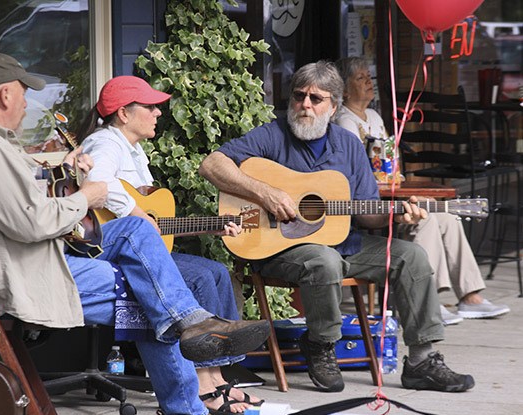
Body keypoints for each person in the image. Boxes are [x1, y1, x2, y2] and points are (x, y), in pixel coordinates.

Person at [0, 51, 270, 415]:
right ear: (6, 94)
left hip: (33, 256)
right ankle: (187, 404)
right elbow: (31, 223)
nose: (26, 104)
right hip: (21, 273)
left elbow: (17, 205)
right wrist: (85, 197)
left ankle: (189, 322)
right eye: (24, 95)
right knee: (148, 293)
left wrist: (63, 172)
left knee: (137, 231)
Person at [199, 60, 475, 394]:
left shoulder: (348, 145)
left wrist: (395, 216)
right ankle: (320, 346)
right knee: (323, 261)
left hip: (345, 245)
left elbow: (367, 214)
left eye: (316, 99)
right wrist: (265, 192)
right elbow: (212, 164)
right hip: (280, 250)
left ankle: (421, 360)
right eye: (299, 96)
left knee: (411, 256)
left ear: (334, 106)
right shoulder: (271, 135)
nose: (305, 105)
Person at [73, 75, 263, 415]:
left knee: (216, 272)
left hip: (135, 245)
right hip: (108, 245)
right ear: (123, 114)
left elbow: (154, 222)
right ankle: (203, 386)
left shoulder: (133, 150)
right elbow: (98, 182)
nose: (158, 112)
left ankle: (216, 376)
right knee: (201, 278)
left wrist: (211, 226)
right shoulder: (106, 143)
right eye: (149, 106)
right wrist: (133, 212)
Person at [334, 56, 510, 326]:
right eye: (360, 78)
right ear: (345, 89)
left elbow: (388, 162)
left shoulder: (373, 116)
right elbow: (361, 173)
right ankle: (428, 301)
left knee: (447, 216)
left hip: (391, 190)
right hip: (368, 200)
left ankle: (470, 296)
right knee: (425, 220)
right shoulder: (344, 122)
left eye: (369, 76)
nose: (369, 82)